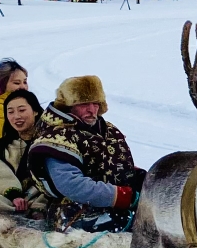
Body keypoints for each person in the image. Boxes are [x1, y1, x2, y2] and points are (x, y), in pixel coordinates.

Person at [24, 74, 145, 230]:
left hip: (118, 205)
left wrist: (138, 177)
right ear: (68, 105)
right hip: (75, 212)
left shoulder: (107, 129)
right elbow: (72, 185)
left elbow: (109, 164)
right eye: (83, 104)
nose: (91, 109)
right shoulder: (57, 138)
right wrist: (122, 196)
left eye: (95, 103)